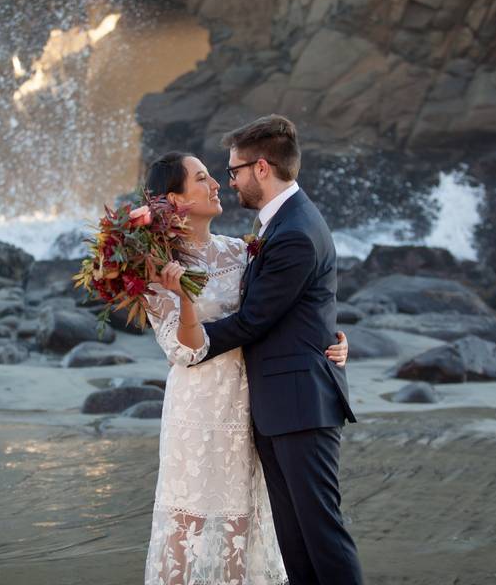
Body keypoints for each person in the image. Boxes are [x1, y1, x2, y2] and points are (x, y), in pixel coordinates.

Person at [154, 115, 364, 585]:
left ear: (262, 168)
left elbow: (256, 318)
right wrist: (328, 336)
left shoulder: (291, 230)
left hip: (299, 406)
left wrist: (197, 345)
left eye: (233, 171)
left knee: (321, 536)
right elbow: (300, 302)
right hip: (265, 406)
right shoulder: (273, 228)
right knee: (295, 543)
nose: (229, 182)